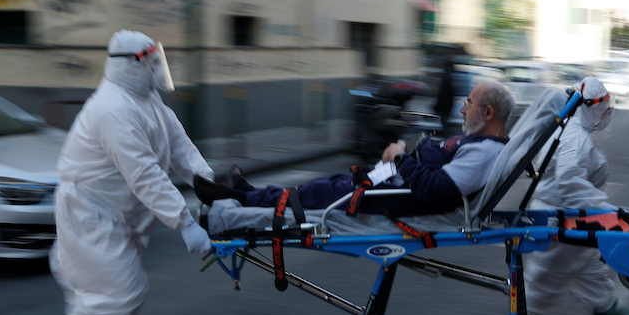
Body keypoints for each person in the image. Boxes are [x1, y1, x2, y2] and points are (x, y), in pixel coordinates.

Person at [50, 30, 215, 315]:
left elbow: (179, 146)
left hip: (112, 214)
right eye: (154, 62)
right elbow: (143, 174)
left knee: (98, 296)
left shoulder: (147, 99)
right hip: (88, 213)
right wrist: (185, 222)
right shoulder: (113, 108)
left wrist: (209, 183)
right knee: (116, 292)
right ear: (135, 63)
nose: (160, 68)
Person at [194, 80, 515, 218]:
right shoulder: (479, 142)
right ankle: (247, 193)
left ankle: (234, 197)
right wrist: (404, 149)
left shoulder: (486, 151)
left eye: (468, 104)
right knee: (320, 186)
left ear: (488, 113)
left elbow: (435, 188)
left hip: (396, 195)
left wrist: (399, 157)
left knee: (316, 193)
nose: (462, 110)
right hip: (391, 182)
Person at [522, 76, 629, 315]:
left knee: (589, 271)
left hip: (570, 218)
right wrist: (604, 209)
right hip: (560, 220)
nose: (608, 113)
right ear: (591, 108)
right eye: (605, 108)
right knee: (541, 284)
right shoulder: (575, 138)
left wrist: (599, 211)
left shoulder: (572, 130)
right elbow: (569, 181)